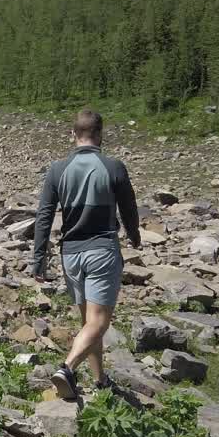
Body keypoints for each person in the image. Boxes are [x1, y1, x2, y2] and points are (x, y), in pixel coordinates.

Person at [30, 109, 141, 400]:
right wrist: (134, 236)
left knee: (89, 323)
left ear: (73, 134)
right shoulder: (113, 167)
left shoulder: (57, 170)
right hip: (102, 250)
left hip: (71, 255)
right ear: (100, 134)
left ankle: (100, 379)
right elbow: (129, 208)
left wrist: (39, 259)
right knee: (99, 322)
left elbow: (44, 216)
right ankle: (67, 368)